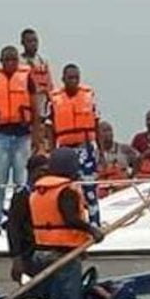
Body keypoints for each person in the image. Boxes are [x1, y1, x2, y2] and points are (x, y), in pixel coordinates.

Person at [28, 147, 104, 299]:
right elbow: (70, 219)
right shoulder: (65, 191)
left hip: (40, 254)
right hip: (63, 257)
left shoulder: (39, 190)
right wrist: (92, 230)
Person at [0, 45, 38, 235]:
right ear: (1, 61)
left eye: (14, 59)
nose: (11, 63)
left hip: (23, 136)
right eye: (7, 59)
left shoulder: (26, 78)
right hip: (1, 136)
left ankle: (20, 222)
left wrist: (37, 139)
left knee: (21, 183)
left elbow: (35, 110)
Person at [48, 63, 100, 224]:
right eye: (70, 78)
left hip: (85, 148)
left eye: (76, 77)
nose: (74, 81)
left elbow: (96, 123)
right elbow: (50, 128)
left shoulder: (89, 95)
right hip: (64, 150)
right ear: (63, 79)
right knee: (65, 188)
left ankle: (94, 222)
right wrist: (51, 152)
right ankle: (68, 222)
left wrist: (101, 151)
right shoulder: (53, 99)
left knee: (89, 187)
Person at [6, 154, 50, 283]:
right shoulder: (22, 195)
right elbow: (13, 228)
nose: (45, 175)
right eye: (42, 171)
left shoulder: (45, 193)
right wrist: (16, 258)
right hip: (27, 254)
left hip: (44, 252)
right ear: (32, 171)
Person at [21, 28, 54, 134]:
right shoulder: (18, 62)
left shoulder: (43, 61)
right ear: (23, 43)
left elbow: (50, 86)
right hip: (25, 113)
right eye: (29, 41)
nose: (33, 44)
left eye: (35, 41)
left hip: (43, 111)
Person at [96, 121, 139, 198]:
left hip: (123, 191)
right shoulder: (94, 154)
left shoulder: (124, 149)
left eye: (110, 130)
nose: (108, 133)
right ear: (98, 135)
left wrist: (132, 177)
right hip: (103, 193)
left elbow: (139, 158)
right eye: (105, 131)